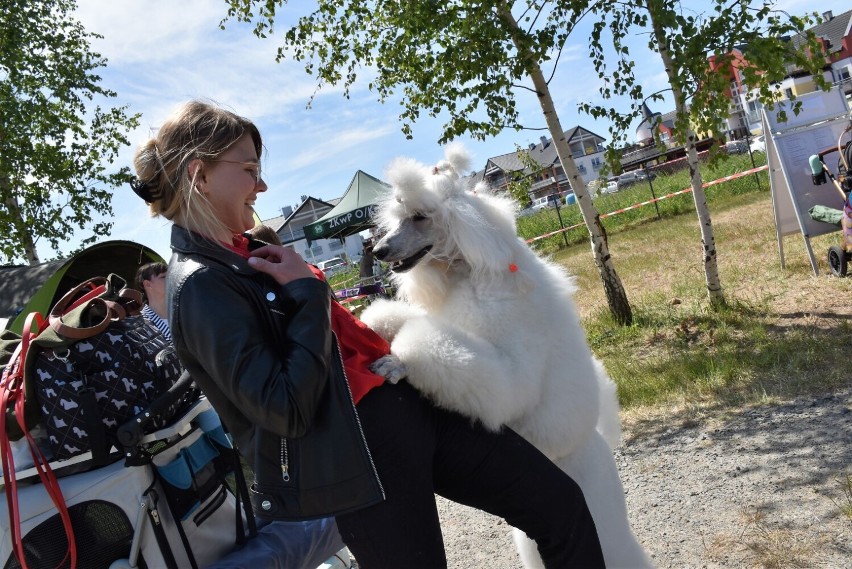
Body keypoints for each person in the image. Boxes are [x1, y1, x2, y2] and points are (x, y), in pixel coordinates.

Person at [131, 99, 604, 568]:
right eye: (250, 169)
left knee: (561, 507)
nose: (262, 184)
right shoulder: (200, 286)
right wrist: (309, 296)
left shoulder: (244, 249)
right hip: (359, 454)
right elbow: (283, 408)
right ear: (200, 175)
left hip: (408, 410)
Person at [134, 262, 171, 342]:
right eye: (164, 276)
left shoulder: (184, 316)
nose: (171, 279)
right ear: (147, 284)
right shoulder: (139, 325)